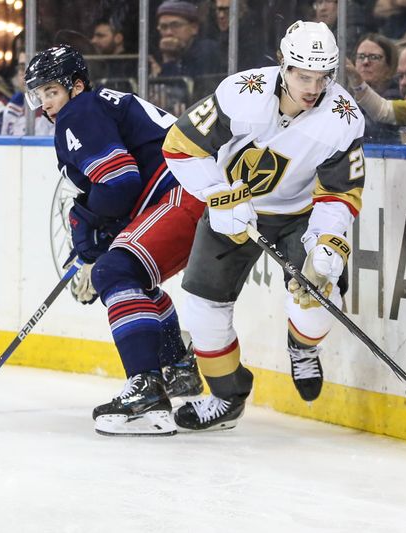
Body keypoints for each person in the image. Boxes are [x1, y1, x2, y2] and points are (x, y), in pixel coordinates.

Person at [162, 20, 365, 431]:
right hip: (232, 208)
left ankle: (302, 346)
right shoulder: (242, 94)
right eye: (303, 75)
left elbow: (340, 194)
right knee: (203, 307)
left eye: (322, 77)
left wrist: (327, 244)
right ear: (282, 65)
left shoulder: (343, 119)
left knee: (319, 293)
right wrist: (217, 194)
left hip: (300, 213)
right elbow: (179, 146)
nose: (312, 87)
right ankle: (226, 397)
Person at [24, 45, 205, 436]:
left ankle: (146, 388)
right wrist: (102, 221)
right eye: (39, 95)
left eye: (51, 92)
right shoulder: (102, 104)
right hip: (194, 195)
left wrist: (89, 216)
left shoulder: (80, 110)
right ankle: (177, 368)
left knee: (112, 270)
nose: (46, 105)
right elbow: (127, 183)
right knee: (132, 276)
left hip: (181, 194)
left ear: (76, 86)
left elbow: (120, 182)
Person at [346, 33, 401, 144]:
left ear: (389, 65)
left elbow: (372, 133)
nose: (366, 62)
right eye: (361, 57)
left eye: (374, 57)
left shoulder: (395, 95)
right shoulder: (348, 95)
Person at [1, 52, 54, 136]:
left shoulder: (61, 109)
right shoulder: (12, 107)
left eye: (34, 67)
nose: (26, 74)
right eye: (22, 68)